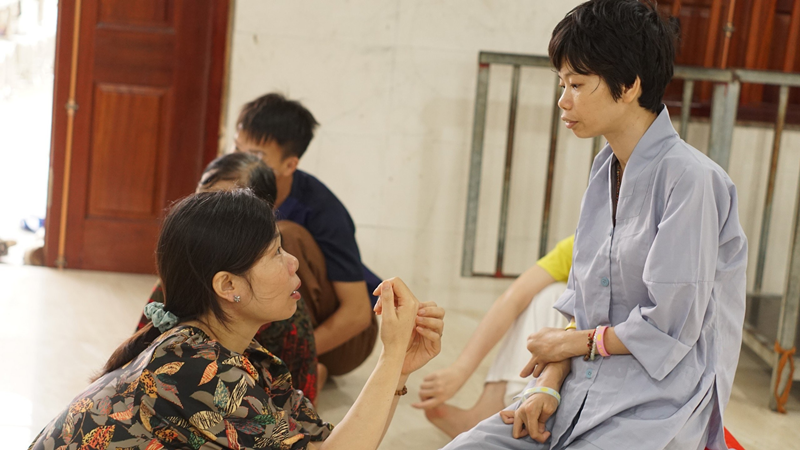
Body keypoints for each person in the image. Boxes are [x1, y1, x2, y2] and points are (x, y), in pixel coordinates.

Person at [444, 1, 747, 449]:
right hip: (578, 394)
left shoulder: (693, 181)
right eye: (562, 84)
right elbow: (584, 308)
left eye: (577, 84)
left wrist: (570, 346)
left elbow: (668, 328)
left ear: (629, 86)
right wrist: (548, 383)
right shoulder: (606, 167)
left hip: (654, 409)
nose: (563, 101)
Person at [30, 190, 445, 450]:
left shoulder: (238, 356)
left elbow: (330, 444)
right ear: (228, 285)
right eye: (275, 253)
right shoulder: (195, 369)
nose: (293, 262)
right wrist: (390, 356)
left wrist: (398, 369)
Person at [137, 152, 322, 402]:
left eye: (226, 206)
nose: (205, 219)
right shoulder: (200, 369)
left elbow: (301, 409)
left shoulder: (284, 310)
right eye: (202, 200)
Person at [234, 93, 380, 386]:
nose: (240, 162)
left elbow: (357, 314)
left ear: (289, 165)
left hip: (344, 338)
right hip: (278, 328)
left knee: (281, 237)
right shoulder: (228, 185)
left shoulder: (321, 209)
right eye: (236, 149)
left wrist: (289, 357)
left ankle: (301, 366)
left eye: (256, 156)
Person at [420, 236, 573, 437]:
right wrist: (460, 370)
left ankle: (515, 412)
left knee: (557, 295)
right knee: (548, 293)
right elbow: (514, 298)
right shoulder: (584, 240)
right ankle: (491, 405)